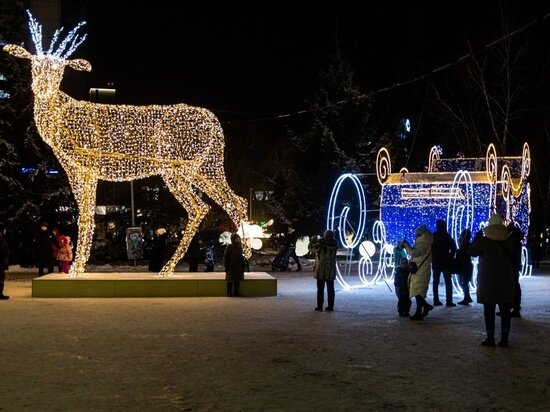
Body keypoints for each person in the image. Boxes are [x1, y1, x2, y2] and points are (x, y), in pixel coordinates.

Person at [468, 214, 515, 348]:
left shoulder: (484, 241)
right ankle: (505, 338)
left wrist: (475, 239)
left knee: (489, 309)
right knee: (505, 310)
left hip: (488, 280)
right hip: (506, 279)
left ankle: (490, 337)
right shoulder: (509, 241)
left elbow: (470, 252)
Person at [401, 224, 434, 321]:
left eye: (416, 235)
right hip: (419, 271)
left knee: (418, 292)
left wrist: (407, 245)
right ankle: (423, 308)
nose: (415, 236)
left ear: (420, 235)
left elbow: (415, 253)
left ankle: (420, 311)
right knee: (417, 292)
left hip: (421, 271)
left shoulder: (424, 244)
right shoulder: (424, 243)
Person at [309, 230, 338, 311]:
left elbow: (331, 247)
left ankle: (327, 306)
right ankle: (322, 306)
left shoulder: (333, 242)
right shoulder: (323, 242)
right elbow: (311, 248)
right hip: (324, 269)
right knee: (324, 289)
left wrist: (316, 242)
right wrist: (313, 241)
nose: (327, 237)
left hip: (327, 269)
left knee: (328, 289)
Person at [431, 219, 457, 306]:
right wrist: (450, 256)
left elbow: (429, 248)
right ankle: (449, 301)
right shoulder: (447, 236)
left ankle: (436, 300)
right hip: (446, 262)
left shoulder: (433, 236)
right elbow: (454, 248)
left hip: (436, 262)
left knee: (436, 282)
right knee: (448, 282)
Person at [506, 222, 523, 318]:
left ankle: (514, 308)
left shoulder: (513, 242)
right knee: (514, 286)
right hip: (514, 266)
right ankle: (512, 307)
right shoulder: (517, 242)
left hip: (511, 266)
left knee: (513, 287)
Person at [456, 229, 473, 305]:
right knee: (464, 282)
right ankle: (467, 297)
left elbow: (463, 254)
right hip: (465, 265)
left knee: (464, 282)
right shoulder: (466, 244)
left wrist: (458, 251)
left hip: (464, 265)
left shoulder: (465, 244)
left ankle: (467, 297)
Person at [0, 223, 10, 300]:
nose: (5, 231)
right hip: (0, 263)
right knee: (1, 278)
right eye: (4, 229)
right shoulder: (0, 239)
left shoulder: (2, 238)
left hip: (2, 262)